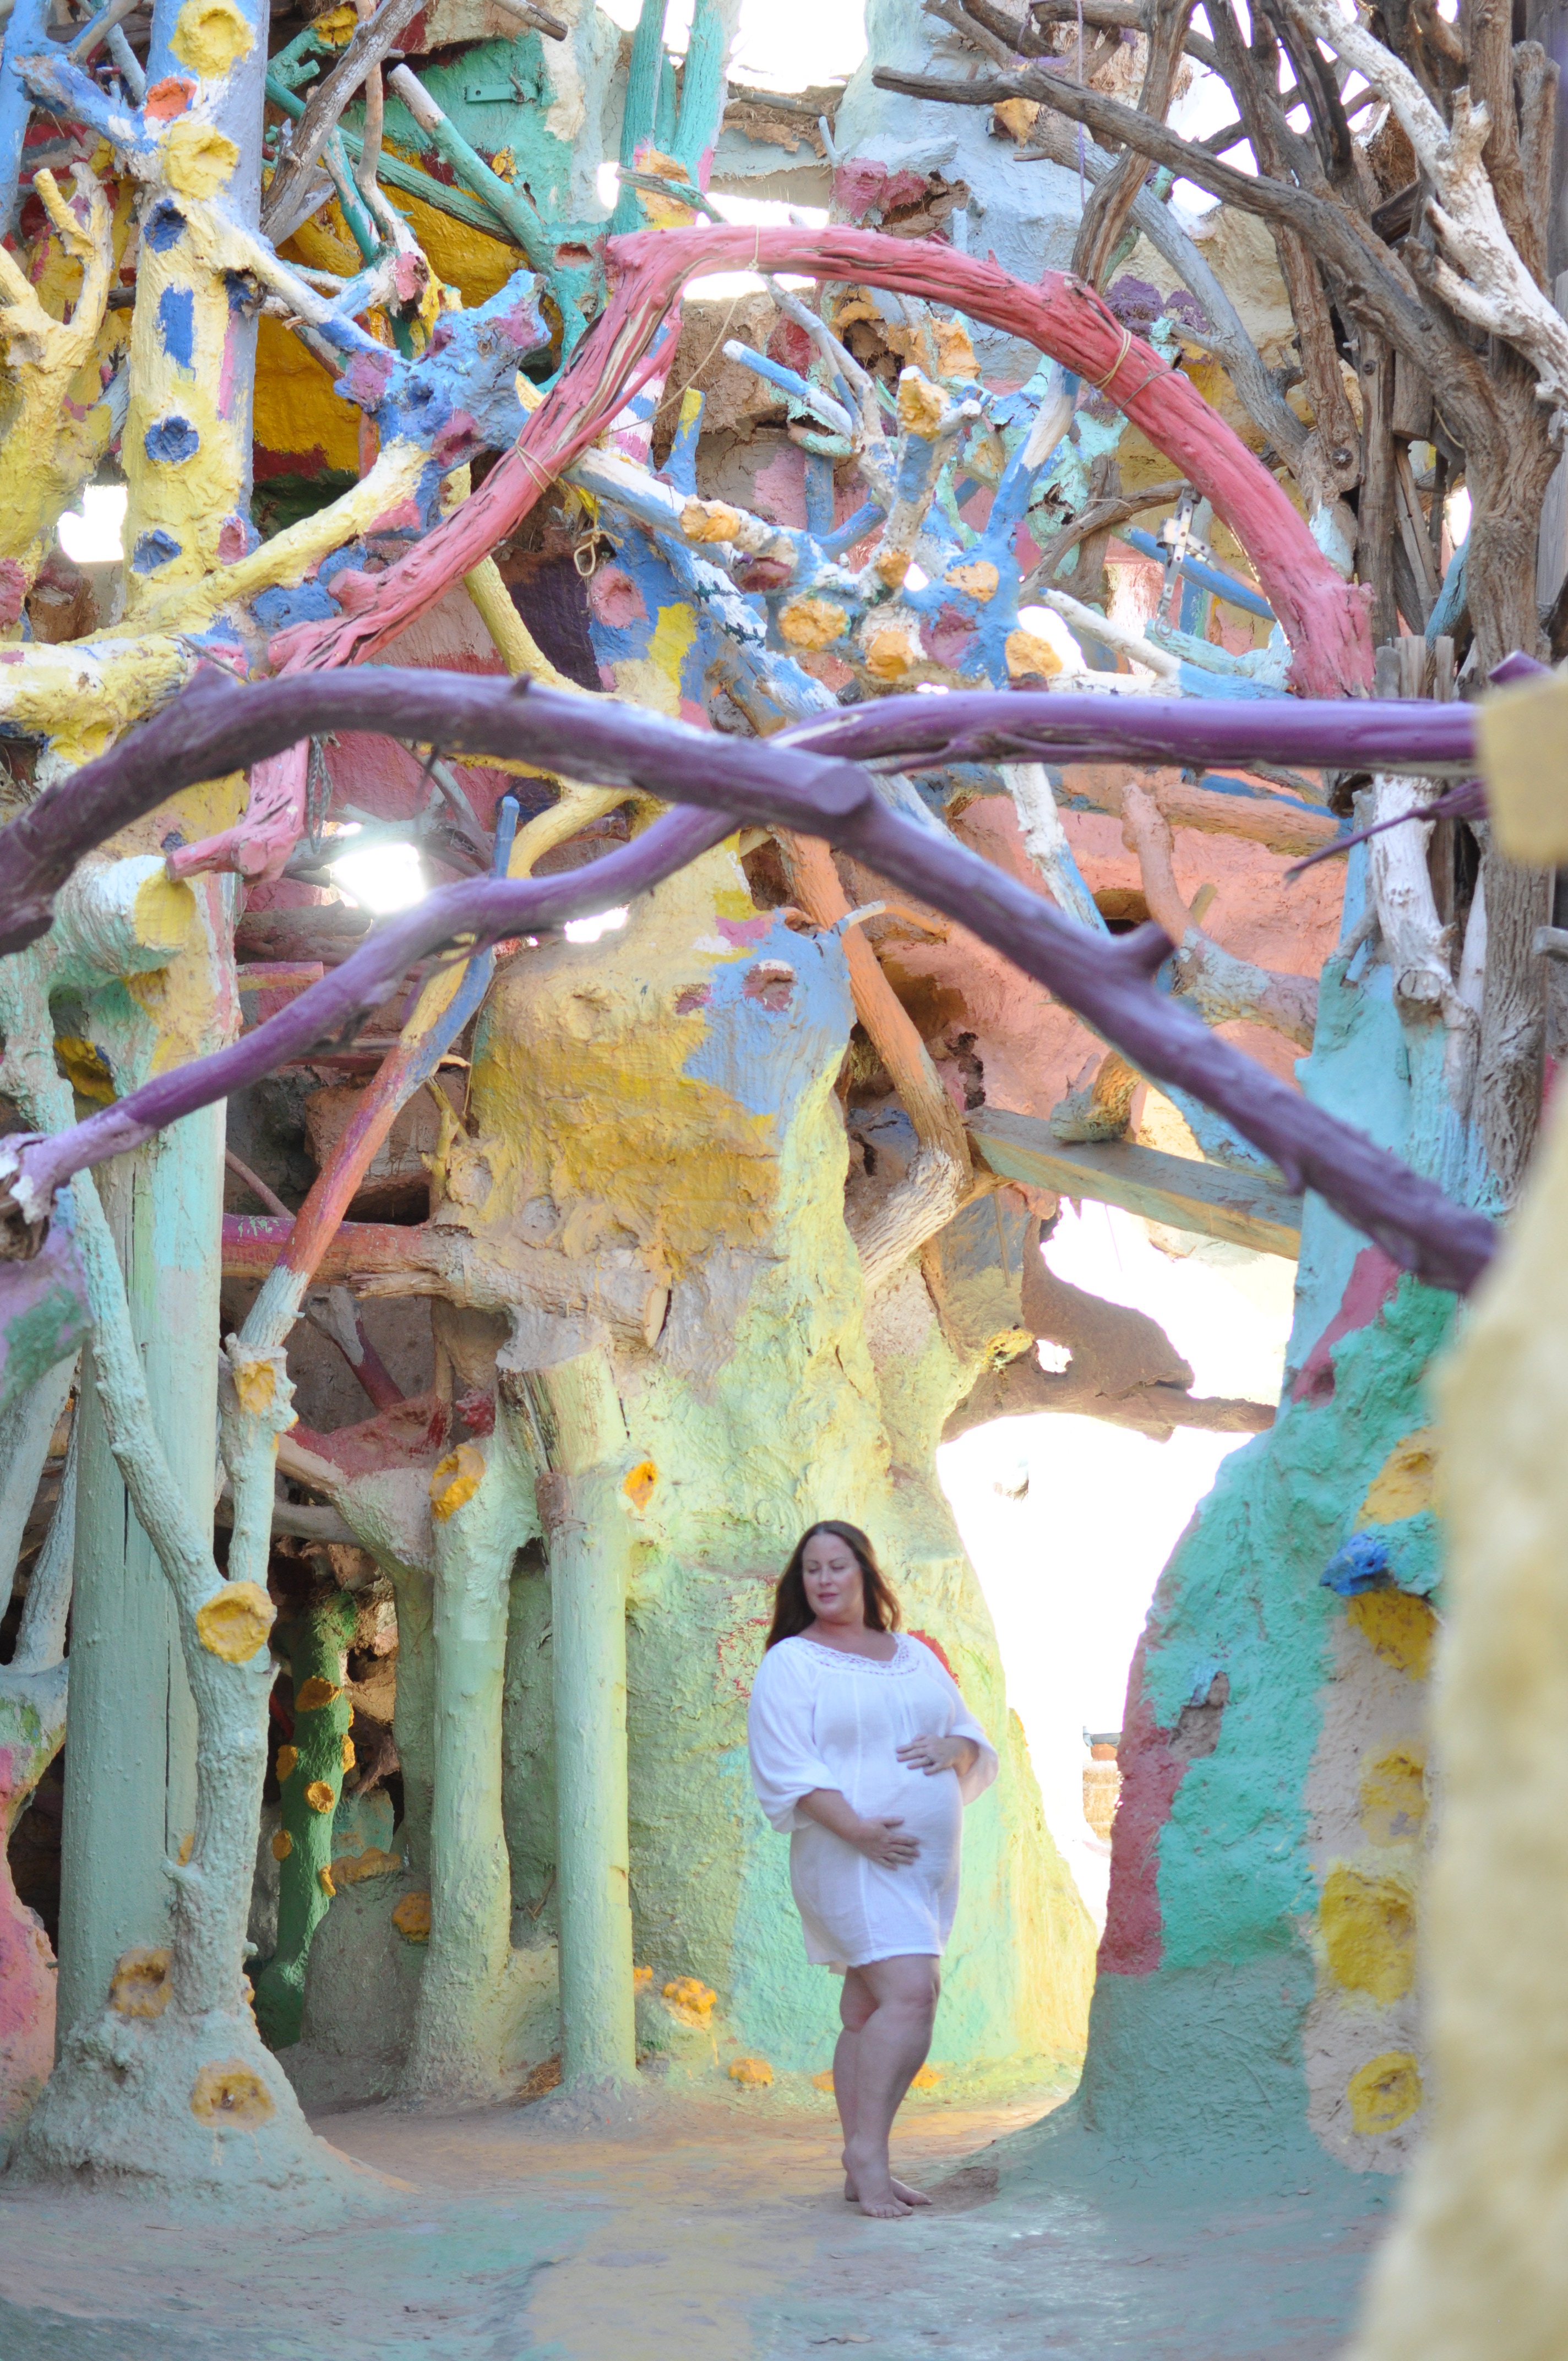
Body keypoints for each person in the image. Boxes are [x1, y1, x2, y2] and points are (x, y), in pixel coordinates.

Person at [747, 1520, 998, 2218]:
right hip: (850, 1857)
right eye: (812, 1569)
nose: (824, 1579)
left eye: (837, 1565)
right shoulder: (792, 1662)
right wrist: (859, 1831)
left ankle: (861, 2162)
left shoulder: (912, 1654)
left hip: (922, 1870)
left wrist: (953, 1748)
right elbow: (786, 1765)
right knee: (912, 1995)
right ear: (801, 1584)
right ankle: (869, 2154)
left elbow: (966, 1731)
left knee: (864, 2012)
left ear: (864, 1572)